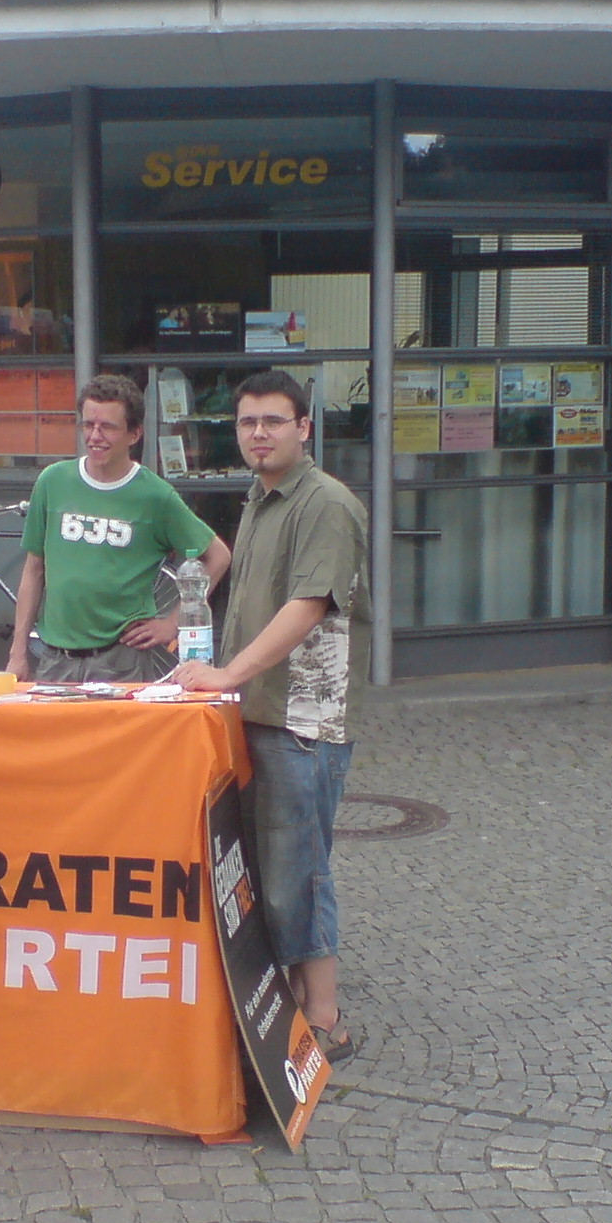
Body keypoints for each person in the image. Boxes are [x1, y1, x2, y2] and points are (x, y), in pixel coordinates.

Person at [171, 369, 367, 1062]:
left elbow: (307, 607)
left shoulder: (325, 504)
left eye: (273, 421)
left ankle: (326, 1017)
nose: (258, 433)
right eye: (247, 422)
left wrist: (229, 674)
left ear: (304, 427)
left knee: (297, 871)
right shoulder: (260, 499)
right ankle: (289, 996)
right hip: (260, 710)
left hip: (302, 721)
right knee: (269, 870)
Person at [7, 373, 229, 684]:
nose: (95, 436)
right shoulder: (52, 481)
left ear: (134, 434)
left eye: (108, 427)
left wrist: (171, 624)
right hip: (55, 660)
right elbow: (33, 570)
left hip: (120, 661)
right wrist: (17, 653)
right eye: (88, 425)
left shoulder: (155, 496)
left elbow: (218, 556)